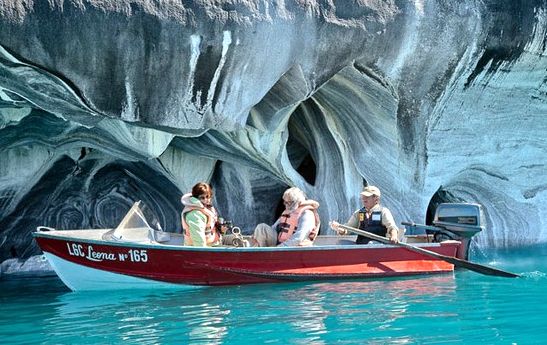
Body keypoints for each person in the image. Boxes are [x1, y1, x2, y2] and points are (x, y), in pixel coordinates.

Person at [252, 187, 320, 247]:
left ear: (297, 202)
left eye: (289, 202)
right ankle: (262, 253)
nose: (286, 205)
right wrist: (258, 235)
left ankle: (266, 256)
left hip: (296, 248)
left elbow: (299, 237)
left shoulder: (307, 214)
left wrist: (280, 248)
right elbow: (273, 228)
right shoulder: (289, 211)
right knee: (262, 228)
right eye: (285, 202)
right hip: (281, 244)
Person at [330, 185, 399, 244]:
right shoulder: (359, 213)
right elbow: (348, 228)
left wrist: (394, 236)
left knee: (371, 244)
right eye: (363, 196)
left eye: (367, 197)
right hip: (361, 245)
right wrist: (340, 229)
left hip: (378, 246)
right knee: (341, 243)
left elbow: (392, 227)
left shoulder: (383, 211)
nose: (364, 199)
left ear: (376, 198)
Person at [181, 182, 223, 247]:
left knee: (236, 239)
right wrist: (203, 254)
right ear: (196, 198)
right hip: (203, 249)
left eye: (207, 196)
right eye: (202, 198)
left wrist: (222, 230)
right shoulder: (195, 214)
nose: (206, 200)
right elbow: (198, 239)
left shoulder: (207, 208)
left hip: (214, 243)